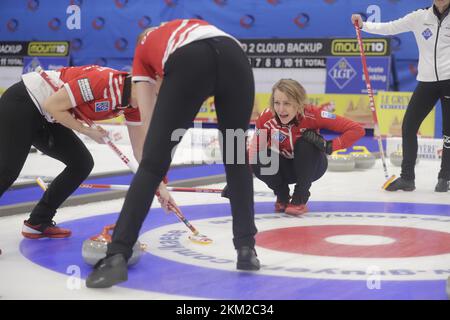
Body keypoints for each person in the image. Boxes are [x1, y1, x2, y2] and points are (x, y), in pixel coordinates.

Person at [86, 19, 259, 288]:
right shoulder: (185, 27)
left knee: (152, 164)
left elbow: (148, 121)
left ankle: (116, 256)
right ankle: (247, 249)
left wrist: (157, 173)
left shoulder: (143, 51)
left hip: (192, 61)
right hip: (235, 57)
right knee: (236, 159)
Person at [0, 65, 147, 240]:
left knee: (81, 163)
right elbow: (52, 104)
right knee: (7, 171)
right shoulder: (103, 81)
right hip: (25, 102)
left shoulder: (134, 106)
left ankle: (38, 222)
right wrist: (87, 131)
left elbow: (139, 148)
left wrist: (155, 180)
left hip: (49, 116)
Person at [352, 0, 450, 192]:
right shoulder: (419, 17)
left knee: (448, 134)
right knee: (408, 126)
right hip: (426, 81)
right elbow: (390, 27)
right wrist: (364, 25)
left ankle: (445, 177)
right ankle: (407, 178)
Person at [246, 79, 365, 215]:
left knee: (306, 142)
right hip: (285, 167)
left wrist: (329, 146)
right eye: (277, 103)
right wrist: (238, 179)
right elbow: (254, 150)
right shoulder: (266, 118)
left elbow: (356, 129)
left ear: (299, 103)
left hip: (312, 166)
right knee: (260, 158)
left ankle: (300, 198)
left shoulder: (314, 114)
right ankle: (282, 196)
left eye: (287, 103)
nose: (280, 109)